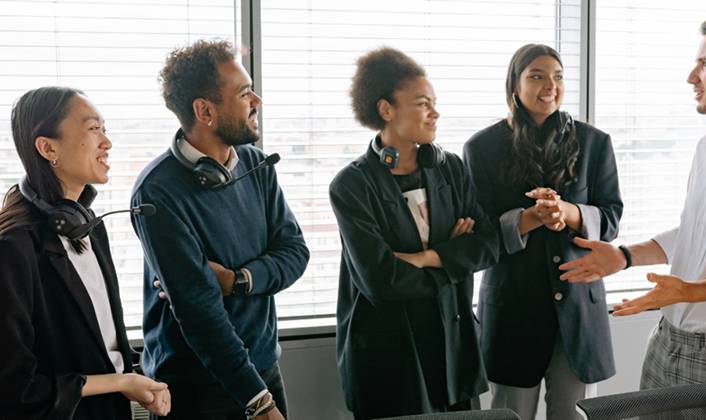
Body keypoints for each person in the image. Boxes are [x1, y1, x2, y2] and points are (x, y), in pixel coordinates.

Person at [560, 15, 706, 399]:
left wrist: (689, 291)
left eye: (705, 63)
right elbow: (694, 233)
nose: (692, 76)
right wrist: (624, 256)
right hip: (666, 343)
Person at [130, 40, 309, 420]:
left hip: (262, 368)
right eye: (244, 93)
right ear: (205, 110)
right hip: (197, 386)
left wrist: (237, 280)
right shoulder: (156, 192)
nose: (257, 100)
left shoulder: (257, 165)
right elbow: (199, 311)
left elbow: (295, 252)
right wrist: (256, 400)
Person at [329, 47, 500, 420]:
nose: (435, 113)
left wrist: (427, 258)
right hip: (391, 356)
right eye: (423, 103)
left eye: (435, 103)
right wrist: (454, 257)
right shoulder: (351, 186)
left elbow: (488, 243)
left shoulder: (450, 168)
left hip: (452, 352)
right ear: (386, 110)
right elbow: (381, 281)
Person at [462, 44, 622, 420]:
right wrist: (531, 217)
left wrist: (569, 212)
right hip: (512, 311)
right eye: (537, 75)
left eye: (558, 76)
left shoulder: (595, 143)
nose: (550, 85)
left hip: (580, 311)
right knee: (509, 416)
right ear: (514, 85)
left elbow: (611, 219)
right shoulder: (481, 148)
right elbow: (477, 233)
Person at [0, 86, 170, 419]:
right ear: (48, 147)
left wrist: (134, 378)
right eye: (94, 129)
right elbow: (15, 390)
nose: (107, 143)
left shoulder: (91, 228)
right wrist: (119, 382)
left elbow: (99, 341)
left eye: (104, 130)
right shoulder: (13, 249)